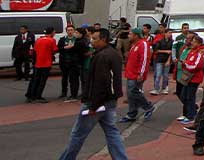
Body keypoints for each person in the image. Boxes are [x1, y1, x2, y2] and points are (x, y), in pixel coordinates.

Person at [57, 29, 127, 160]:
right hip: (110, 100)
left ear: (103, 39)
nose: (91, 41)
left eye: (95, 39)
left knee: (78, 134)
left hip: (97, 102)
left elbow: (101, 82)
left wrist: (93, 106)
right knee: (112, 132)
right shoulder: (113, 54)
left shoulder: (101, 56)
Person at [119, 25, 155, 122]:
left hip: (136, 74)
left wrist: (141, 73)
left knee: (133, 92)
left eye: (131, 34)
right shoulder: (135, 44)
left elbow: (144, 59)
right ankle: (132, 114)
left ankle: (147, 106)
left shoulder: (143, 44)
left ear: (136, 35)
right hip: (131, 73)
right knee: (131, 94)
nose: (129, 36)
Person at [178, 34, 204, 124]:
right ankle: (189, 112)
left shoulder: (199, 53)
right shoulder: (192, 51)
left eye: (194, 41)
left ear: (199, 43)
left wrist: (185, 63)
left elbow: (196, 65)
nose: (192, 43)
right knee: (184, 95)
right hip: (188, 77)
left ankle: (191, 116)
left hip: (194, 78)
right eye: (192, 41)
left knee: (190, 96)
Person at [26, 27, 58, 103]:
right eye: (54, 32)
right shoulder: (52, 40)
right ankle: (38, 96)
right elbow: (55, 50)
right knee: (42, 81)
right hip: (46, 63)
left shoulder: (39, 40)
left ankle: (32, 95)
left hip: (38, 63)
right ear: (52, 32)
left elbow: (35, 50)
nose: (54, 33)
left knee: (35, 79)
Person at [58, 25, 86, 102]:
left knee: (73, 78)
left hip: (74, 62)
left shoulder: (77, 40)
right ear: (66, 31)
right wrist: (64, 48)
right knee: (64, 78)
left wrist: (70, 48)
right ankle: (64, 92)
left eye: (71, 30)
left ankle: (74, 94)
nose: (70, 31)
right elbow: (59, 48)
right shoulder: (62, 39)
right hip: (64, 61)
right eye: (68, 30)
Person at [151, 24, 172, 95]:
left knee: (165, 75)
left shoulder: (172, 41)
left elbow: (172, 51)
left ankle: (164, 88)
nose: (170, 34)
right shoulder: (159, 41)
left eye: (170, 33)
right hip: (159, 59)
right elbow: (156, 50)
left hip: (166, 59)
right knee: (158, 74)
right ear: (165, 33)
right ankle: (156, 88)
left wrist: (169, 60)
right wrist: (165, 51)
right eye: (169, 33)